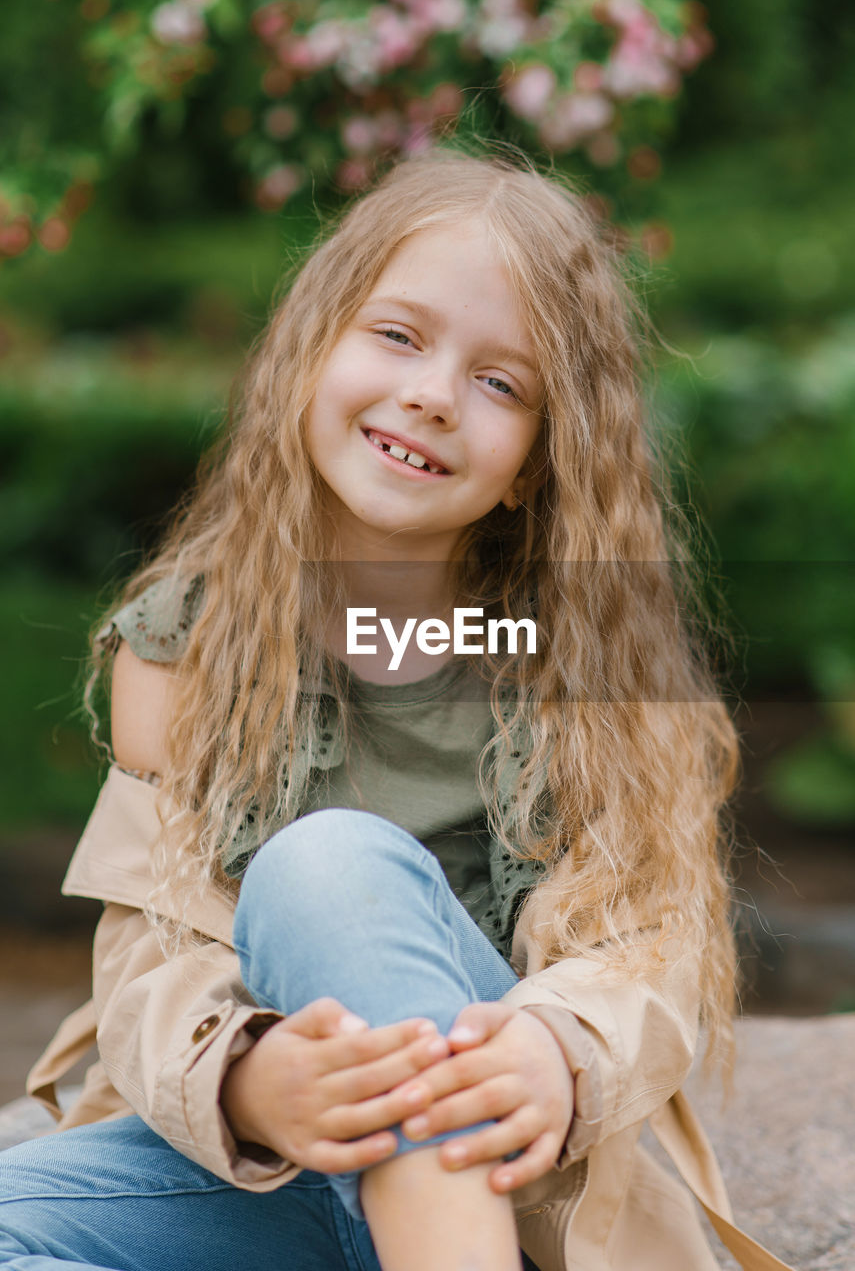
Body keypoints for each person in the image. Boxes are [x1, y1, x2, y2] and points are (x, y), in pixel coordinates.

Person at [0, 148, 792, 1271]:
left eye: (501, 383)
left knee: (327, 867)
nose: (431, 392)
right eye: (399, 336)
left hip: (510, 1188)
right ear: (310, 349)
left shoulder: (577, 660)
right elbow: (155, 946)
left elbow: (653, 942)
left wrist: (557, 1048)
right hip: (277, 1171)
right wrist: (246, 1080)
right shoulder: (186, 644)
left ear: (534, 463)